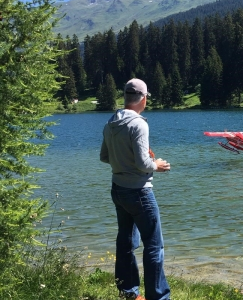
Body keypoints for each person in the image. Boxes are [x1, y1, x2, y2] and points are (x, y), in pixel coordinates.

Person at [100, 78, 171, 300]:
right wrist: (156, 165)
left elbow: (104, 157)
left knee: (126, 243)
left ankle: (128, 293)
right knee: (154, 246)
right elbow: (143, 164)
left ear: (126, 97)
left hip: (118, 189)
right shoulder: (139, 124)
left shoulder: (111, 122)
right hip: (140, 192)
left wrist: (124, 161)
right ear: (144, 98)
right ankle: (158, 297)